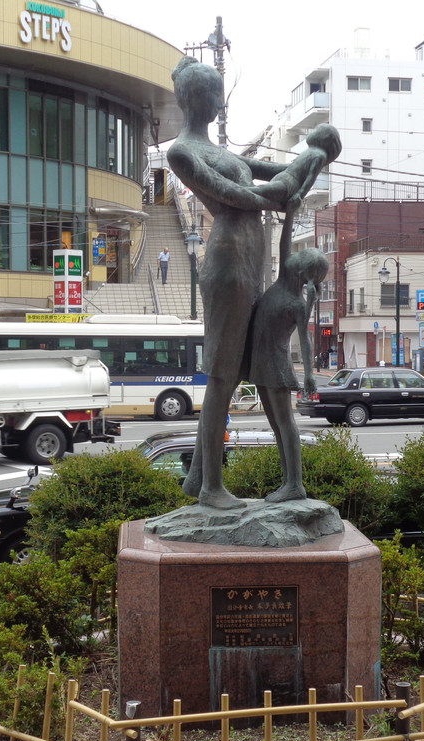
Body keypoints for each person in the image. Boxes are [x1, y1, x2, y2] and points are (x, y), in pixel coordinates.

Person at [166, 56, 300, 510]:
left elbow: (268, 170)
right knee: (222, 376)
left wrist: (304, 163)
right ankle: (210, 488)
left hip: (249, 259)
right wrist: (278, 194)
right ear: (190, 99)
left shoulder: (224, 152)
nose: (215, 102)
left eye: (217, 94)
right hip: (225, 262)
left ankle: (198, 480)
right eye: (208, 94)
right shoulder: (183, 151)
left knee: (238, 367)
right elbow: (234, 197)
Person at [246, 213, 329, 502]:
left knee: (285, 424)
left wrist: (308, 373)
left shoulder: (296, 302)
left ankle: (295, 484)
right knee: (276, 425)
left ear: (306, 275)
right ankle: (288, 482)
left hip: (278, 366)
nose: (295, 259)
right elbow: (284, 239)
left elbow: (305, 340)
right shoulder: (283, 278)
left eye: (303, 260)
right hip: (260, 364)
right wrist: (290, 210)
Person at [254, 123, 342, 208]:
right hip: (283, 176)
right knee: (260, 190)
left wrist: (300, 194)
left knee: (259, 190)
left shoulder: (319, 155)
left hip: (289, 183)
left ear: (324, 137)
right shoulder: (310, 151)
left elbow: (311, 176)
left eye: (316, 130)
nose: (311, 132)